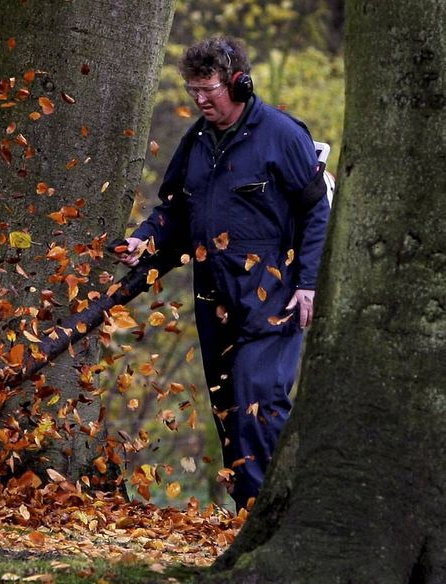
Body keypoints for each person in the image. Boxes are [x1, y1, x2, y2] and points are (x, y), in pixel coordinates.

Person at [118, 36, 330, 511]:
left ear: (238, 83)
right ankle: (246, 518)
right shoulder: (196, 142)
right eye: (192, 90)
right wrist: (143, 239)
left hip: (275, 295)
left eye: (208, 89)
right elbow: (174, 208)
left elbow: (317, 212)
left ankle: (276, 515)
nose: (200, 100)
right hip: (214, 297)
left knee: (260, 397)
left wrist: (310, 284)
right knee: (229, 406)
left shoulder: (281, 135)